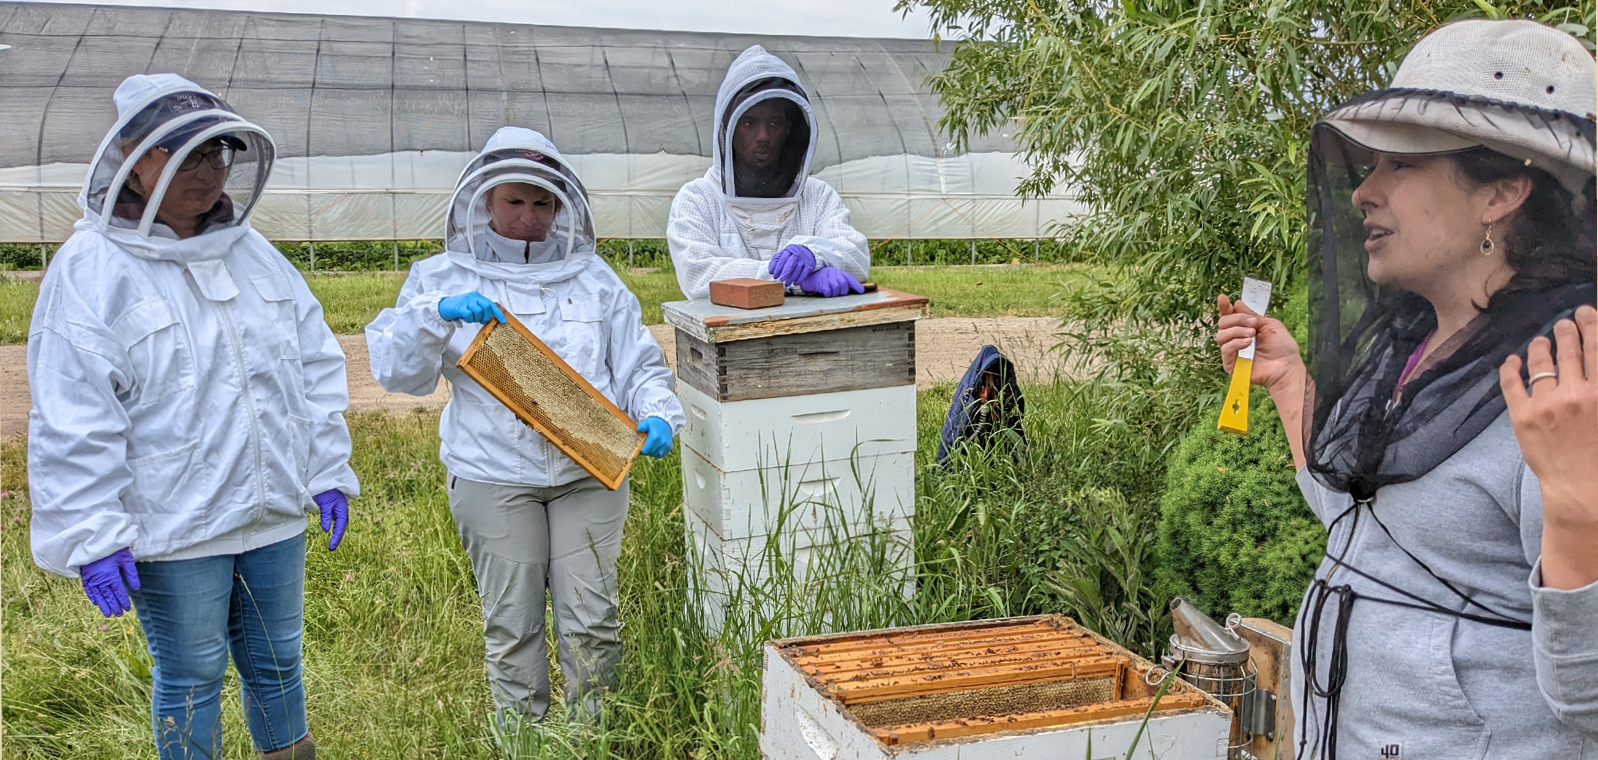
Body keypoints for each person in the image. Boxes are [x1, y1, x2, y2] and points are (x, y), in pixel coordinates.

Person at [1214, 20, 1597, 758]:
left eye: (1400, 166)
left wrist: (1579, 509)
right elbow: (1368, 533)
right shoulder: (1416, 344)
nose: (1364, 192)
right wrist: (1293, 384)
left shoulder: (1569, 374)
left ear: (1503, 191)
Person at [27, 74, 358, 760]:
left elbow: (312, 368)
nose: (205, 171)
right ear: (132, 156)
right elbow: (74, 413)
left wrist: (326, 468)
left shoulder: (254, 254)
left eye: (216, 154)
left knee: (278, 663)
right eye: (184, 153)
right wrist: (93, 531)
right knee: (192, 675)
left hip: (270, 513)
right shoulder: (92, 268)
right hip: (173, 526)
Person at [365, 127, 684, 726]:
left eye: (542, 204)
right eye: (515, 201)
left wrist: (658, 411)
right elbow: (396, 374)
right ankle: (527, 742)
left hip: (589, 472)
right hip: (492, 477)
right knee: (512, 625)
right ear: (484, 201)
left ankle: (595, 737)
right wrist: (436, 316)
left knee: (592, 620)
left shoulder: (595, 279)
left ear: (562, 207)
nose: (529, 217)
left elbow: (637, 363)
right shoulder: (441, 278)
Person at [667, 45, 871, 300]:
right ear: (729, 127)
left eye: (774, 123)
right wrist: (793, 280)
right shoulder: (698, 199)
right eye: (749, 122)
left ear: (789, 128)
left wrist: (814, 255)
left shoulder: (817, 197)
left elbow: (856, 256)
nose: (762, 136)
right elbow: (698, 275)